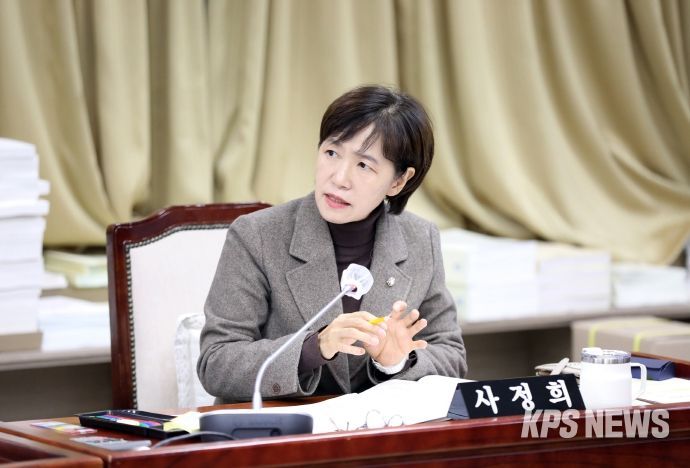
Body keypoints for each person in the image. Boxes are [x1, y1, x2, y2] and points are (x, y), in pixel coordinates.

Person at [198, 84, 467, 403]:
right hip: (283, 427)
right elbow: (216, 362)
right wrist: (314, 347)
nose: (339, 178)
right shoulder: (257, 235)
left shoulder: (420, 239)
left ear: (398, 181)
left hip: (379, 429)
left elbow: (452, 356)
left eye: (364, 165)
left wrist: (395, 363)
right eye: (331, 153)